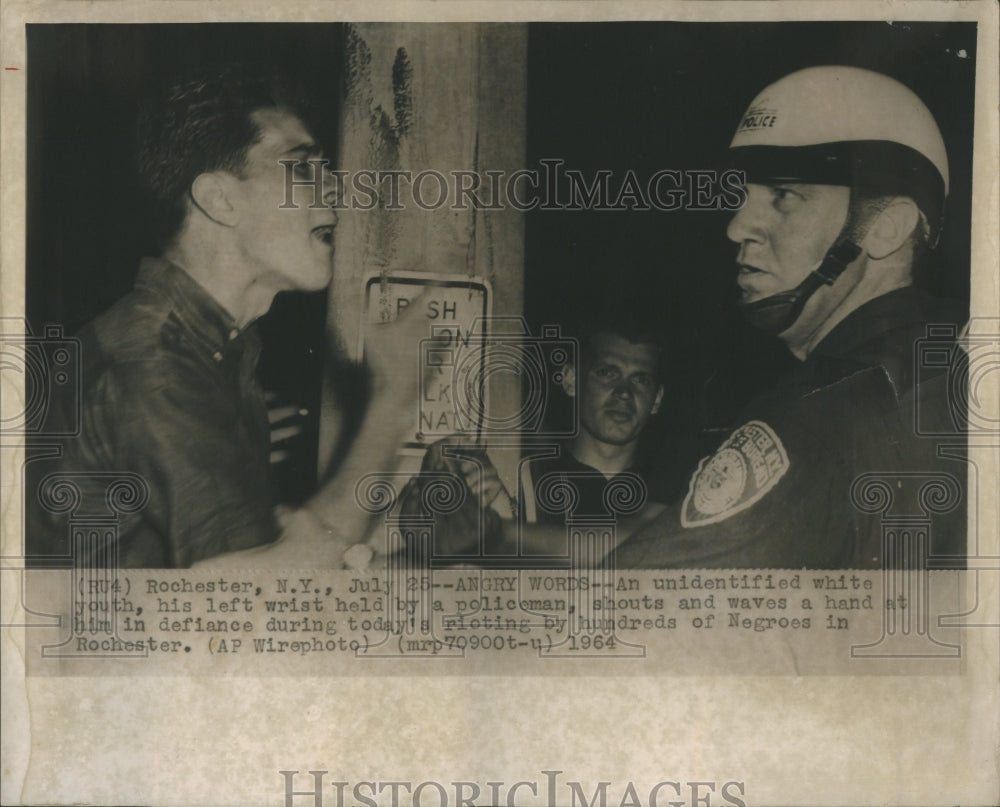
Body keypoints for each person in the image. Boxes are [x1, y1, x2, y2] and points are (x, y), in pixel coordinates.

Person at [28, 65, 424, 569]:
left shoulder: (212, 350)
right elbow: (271, 597)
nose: (337, 191)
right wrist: (393, 399)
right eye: (301, 168)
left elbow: (255, 559)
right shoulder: (153, 368)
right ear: (220, 200)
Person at [614, 65, 967, 569]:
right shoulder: (957, 363)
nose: (738, 228)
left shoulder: (817, 418)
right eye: (743, 198)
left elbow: (620, 611)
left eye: (784, 196)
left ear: (886, 228)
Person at [518, 320, 669, 525]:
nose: (624, 393)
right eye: (607, 373)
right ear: (571, 381)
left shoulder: (675, 495)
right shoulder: (526, 480)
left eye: (640, 380)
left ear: (657, 399)